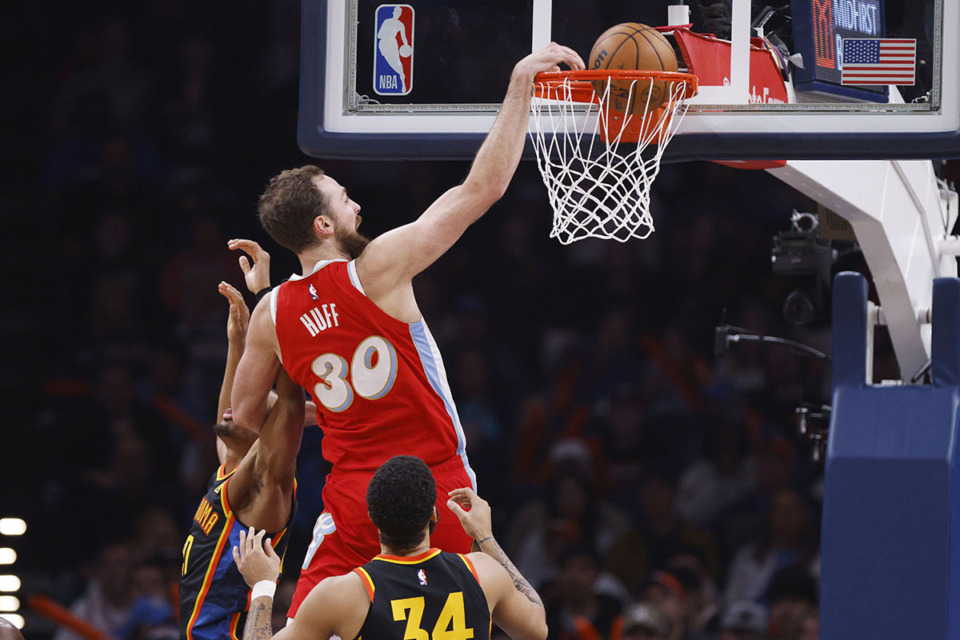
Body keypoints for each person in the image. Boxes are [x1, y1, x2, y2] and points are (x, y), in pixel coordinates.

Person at [230, 42, 585, 619]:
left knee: (299, 629)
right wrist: (521, 86)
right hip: (440, 489)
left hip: (351, 504)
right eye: (345, 203)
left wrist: (312, 403)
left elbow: (242, 419)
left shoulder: (273, 313)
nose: (358, 207)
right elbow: (482, 190)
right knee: (501, 619)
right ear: (323, 225)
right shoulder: (378, 267)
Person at [233, 455, 548, 640]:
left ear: (372, 518)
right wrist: (486, 537)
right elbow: (537, 629)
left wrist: (262, 584)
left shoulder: (345, 594)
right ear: (433, 514)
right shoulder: (483, 573)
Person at [179, 242, 313, 640]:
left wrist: (270, 301)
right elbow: (231, 418)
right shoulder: (230, 474)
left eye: (256, 407)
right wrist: (238, 343)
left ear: (271, 429)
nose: (233, 408)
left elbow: (289, 399)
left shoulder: (265, 492)